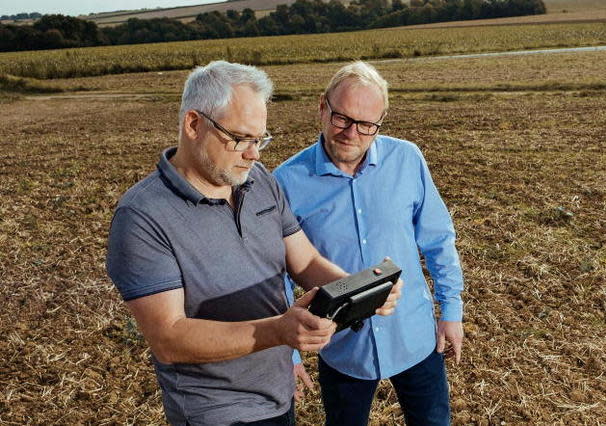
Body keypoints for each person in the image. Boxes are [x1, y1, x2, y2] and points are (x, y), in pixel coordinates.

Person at [105, 60, 401, 426]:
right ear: (194, 124)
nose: (254, 153)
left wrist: (358, 290)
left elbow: (305, 262)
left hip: (276, 396)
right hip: (214, 413)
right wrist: (277, 331)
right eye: (241, 139)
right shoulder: (142, 216)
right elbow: (169, 337)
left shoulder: (257, 180)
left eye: (260, 139)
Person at [274, 61, 464, 425]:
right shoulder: (286, 181)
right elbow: (278, 272)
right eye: (342, 118)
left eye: (366, 125)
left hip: (414, 335)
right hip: (343, 347)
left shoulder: (407, 159)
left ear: (381, 121)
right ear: (321, 108)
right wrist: (290, 352)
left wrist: (451, 310)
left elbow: (438, 239)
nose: (352, 133)